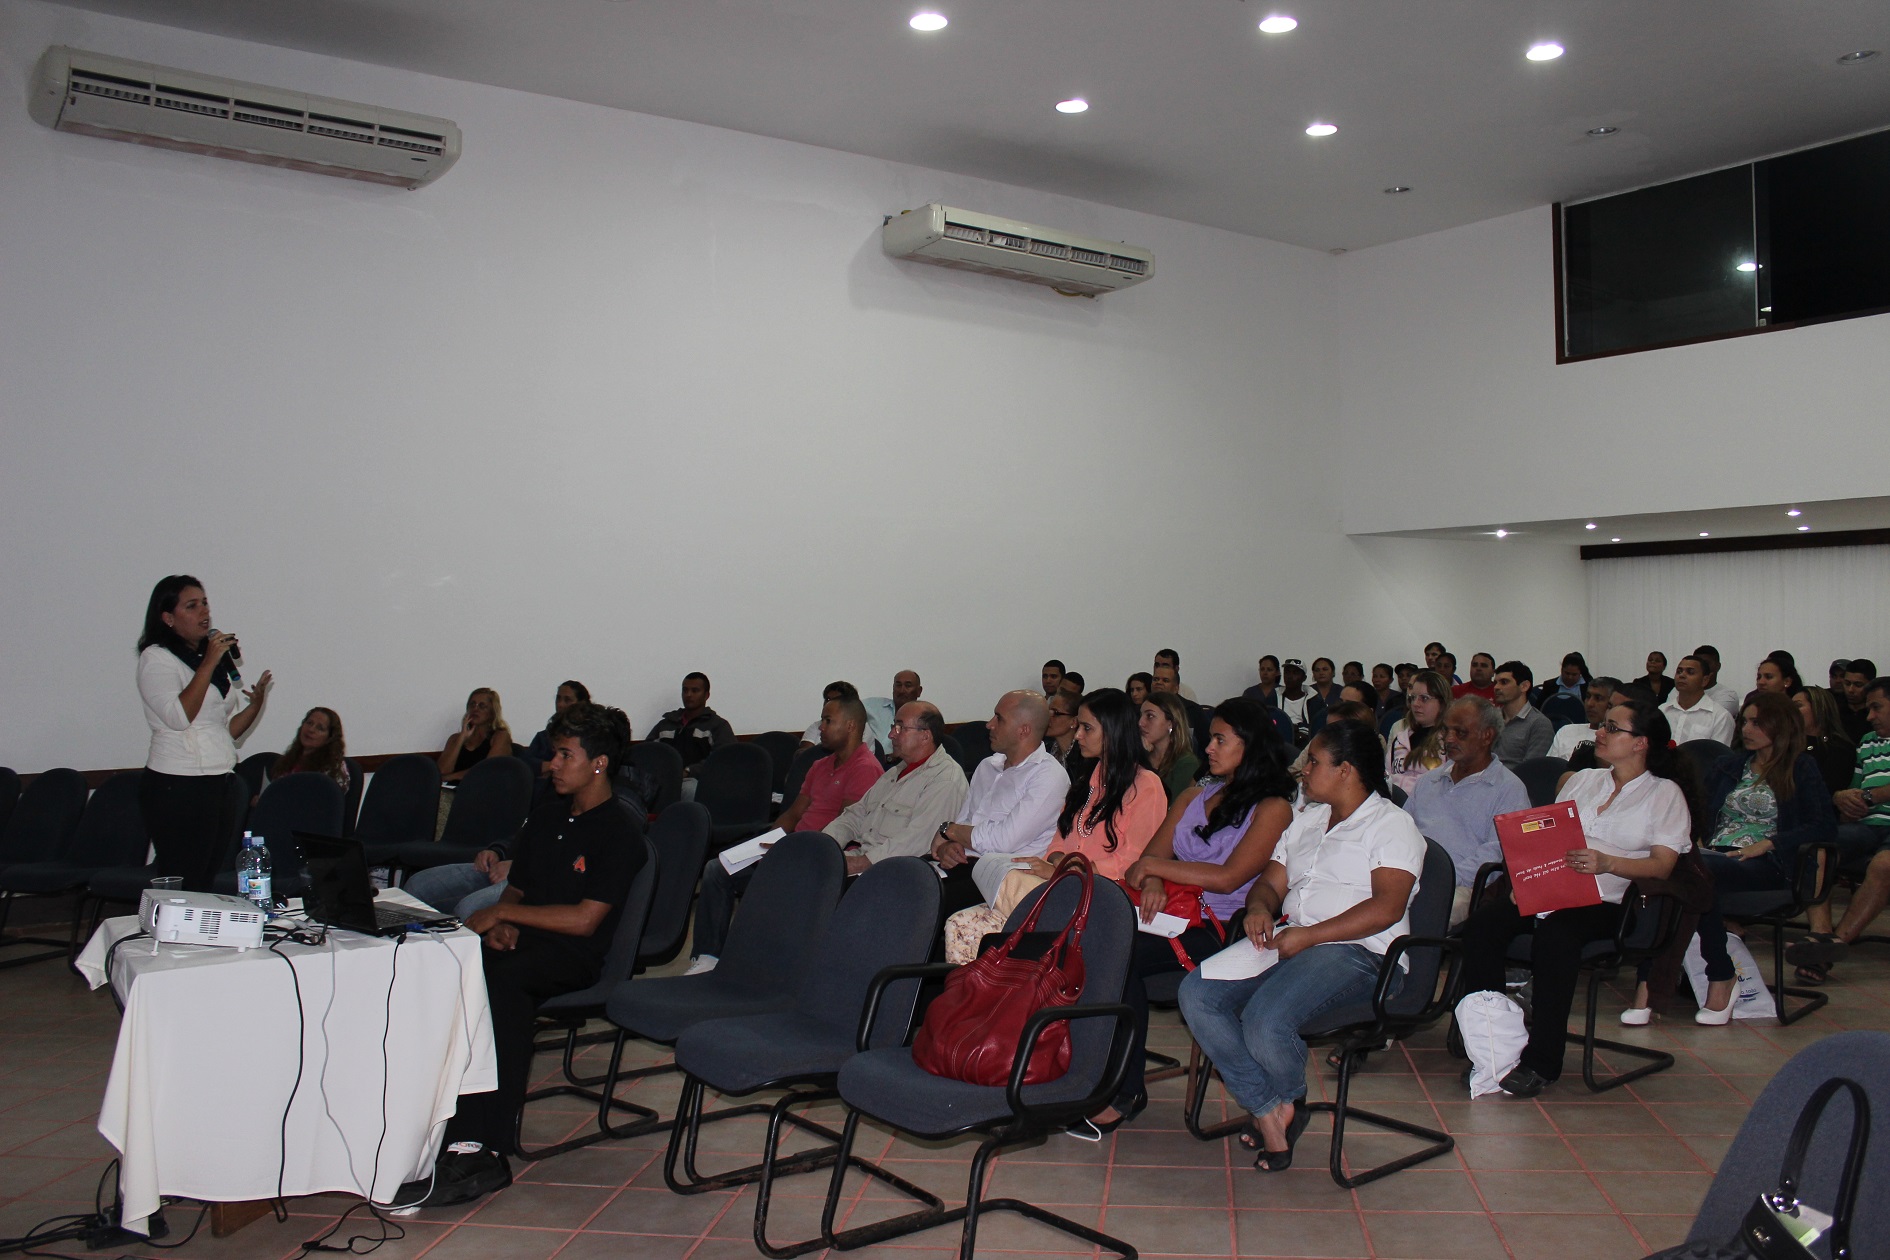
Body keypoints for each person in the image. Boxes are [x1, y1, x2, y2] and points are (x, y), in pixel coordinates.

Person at [415, 702, 645, 1205]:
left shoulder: (619, 830)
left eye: (565, 755)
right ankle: (435, 1128)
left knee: (502, 983)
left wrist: (504, 915)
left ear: (599, 763)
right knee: (459, 968)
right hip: (527, 939)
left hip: (574, 954)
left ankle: (484, 1148)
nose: (552, 764)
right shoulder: (546, 817)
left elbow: (585, 920)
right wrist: (503, 922)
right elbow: (518, 890)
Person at [1178, 720, 1425, 1170]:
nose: (1303, 770)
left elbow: (1388, 907)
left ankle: (1279, 1106)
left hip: (1363, 952)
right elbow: (1270, 884)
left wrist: (1309, 936)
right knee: (1197, 993)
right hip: (1291, 937)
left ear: (1346, 770)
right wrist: (1258, 909)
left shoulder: (1392, 825)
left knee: (1265, 1019)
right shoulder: (1308, 819)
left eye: (1313, 762)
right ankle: (1273, 1105)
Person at [1458, 698, 1696, 1095]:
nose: (1600, 732)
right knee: (1484, 924)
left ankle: (1543, 1060)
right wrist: (1526, 882)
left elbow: (1663, 866)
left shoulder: (1663, 793)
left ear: (1641, 742)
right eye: (1603, 725)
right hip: (1554, 890)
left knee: (1558, 936)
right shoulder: (1583, 780)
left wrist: (1608, 862)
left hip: (1613, 903)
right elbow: (1546, 839)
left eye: (1613, 728)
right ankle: (1491, 1043)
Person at [1091, 699, 1295, 1134]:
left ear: (1250, 745)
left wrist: (1158, 870)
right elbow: (1145, 863)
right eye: (1210, 739)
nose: (1209, 748)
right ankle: (1099, 1076)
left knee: (1118, 958)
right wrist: (1154, 880)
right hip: (1169, 915)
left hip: (1220, 929)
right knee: (1099, 948)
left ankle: (1124, 1091)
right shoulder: (1192, 796)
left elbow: (1228, 878)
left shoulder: (1273, 808)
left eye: (1221, 739)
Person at [689, 701, 967, 974]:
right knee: (745, 871)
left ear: (925, 735)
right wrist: (824, 847)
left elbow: (917, 839)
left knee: (794, 882)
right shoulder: (896, 772)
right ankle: (727, 960)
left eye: (899, 727)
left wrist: (858, 862)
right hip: (858, 858)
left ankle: (768, 969)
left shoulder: (944, 779)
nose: (891, 734)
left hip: (887, 871)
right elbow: (853, 816)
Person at [1619, 691, 1832, 1025]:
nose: (1746, 729)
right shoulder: (1729, 765)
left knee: (1684, 875)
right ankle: (1717, 975)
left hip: (1769, 865)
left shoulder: (1801, 767)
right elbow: (1695, 811)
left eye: (1757, 723)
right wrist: (1693, 837)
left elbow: (1823, 825)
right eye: (1744, 721)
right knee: (1688, 874)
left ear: (1781, 726)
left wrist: (1769, 844)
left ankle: (1651, 983)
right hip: (1714, 857)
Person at [939, 688, 1165, 963]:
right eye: (1078, 726)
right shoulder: (1087, 781)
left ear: (1113, 732)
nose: (1077, 735)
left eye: (1087, 728)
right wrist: (1058, 863)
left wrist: (1065, 870)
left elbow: (1131, 862)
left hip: (1102, 897)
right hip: (1061, 883)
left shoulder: (1146, 786)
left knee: (989, 891)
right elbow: (1058, 840)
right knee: (961, 924)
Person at [136, 575, 272, 890]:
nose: (204, 612)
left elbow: (223, 731)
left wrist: (255, 706)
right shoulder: (157, 658)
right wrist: (209, 662)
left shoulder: (205, 658)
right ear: (168, 618)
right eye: (192, 606)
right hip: (177, 784)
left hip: (219, 781)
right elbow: (179, 717)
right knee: (185, 878)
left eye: (205, 603)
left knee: (205, 878)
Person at [1787, 676, 1890, 982]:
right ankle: (1821, 933)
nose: (1869, 716)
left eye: (1876, 707)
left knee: (1884, 865)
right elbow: (1855, 790)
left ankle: (1829, 950)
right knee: (1816, 846)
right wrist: (1842, 797)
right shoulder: (1868, 742)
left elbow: (1871, 794)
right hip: (1866, 825)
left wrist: (1872, 796)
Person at [932, 690, 1070, 917]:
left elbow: (1004, 841)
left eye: (999, 718)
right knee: (902, 879)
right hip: (965, 865)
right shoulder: (987, 766)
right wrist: (949, 845)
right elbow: (965, 821)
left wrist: (950, 830)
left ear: (1023, 730)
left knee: (924, 902)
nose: (989, 725)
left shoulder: (1048, 776)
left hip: (1002, 877)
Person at [1406, 697, 1530, 925]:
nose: (1449, 739)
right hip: (1409, 875)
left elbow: (1496, 854)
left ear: (1487, 736)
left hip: (1462, 886)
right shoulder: (1429, 781)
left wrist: (1438, 878)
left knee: (1424, 912)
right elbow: (1402, 830)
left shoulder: (1509, 789)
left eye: (1460, 732)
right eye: (1446, 730)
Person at [773, 694, 882, 834]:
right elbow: (793, 814)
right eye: (822, 721)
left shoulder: (865, 769)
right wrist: (765, 842)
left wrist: (796, 843)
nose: (821, 728)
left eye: (828, 721)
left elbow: (843, 828)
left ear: (850, 726)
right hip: (799, 840)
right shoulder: (819, 765)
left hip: (824, 844)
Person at [647, 672, 735, 776]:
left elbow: (723, 758)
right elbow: (647, 752)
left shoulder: (718, 726)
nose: (688, 695)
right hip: (665, 778)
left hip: (700, 780)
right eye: (685, 690)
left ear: (706, 695)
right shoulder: (666, 724)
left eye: (695, 691)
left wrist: (689, 771)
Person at [1386, 669, 1451, 795]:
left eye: (1424, 698)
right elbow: (1387, 778)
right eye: (1413, 697)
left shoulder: (1450, 741)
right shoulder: (1400, 739)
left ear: (1442, 702)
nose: (1415, 704)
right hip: (1397, 804)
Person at [1795, 686, 1856, 808]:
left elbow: (1828, 789)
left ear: (1819, 708)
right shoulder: (1784, 744)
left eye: (1798, 706)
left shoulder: (1839, 747)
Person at [266, 707, 349, 795]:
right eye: (309, 723)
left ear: (330, 738)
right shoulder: (291, 758)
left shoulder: (334, 766)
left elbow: (329, 797)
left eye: (320, 728)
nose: (311, 729)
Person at [439, 688, 513, 783]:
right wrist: (461, 739)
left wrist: (450, 777)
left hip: (482, 788)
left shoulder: (500, 736)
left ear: (492, 712)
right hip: (453, 789)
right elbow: (441, 772)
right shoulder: (455, 738)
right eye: (472, 705)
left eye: (482, 706)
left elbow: (487, 769)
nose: (475, 709)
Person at [1659, 656, 1736, 745]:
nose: (1682, 675)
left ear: (1705, 680)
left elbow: (1719, 753)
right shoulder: (1662, 710)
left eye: (1690, 672)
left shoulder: (1720, 717)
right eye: (1679, 671)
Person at [1141, 691, 1202, 801]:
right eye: (1141, 715)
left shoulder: (1186, 763)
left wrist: (1144, 764)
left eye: (1150, 716)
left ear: (1170, 723)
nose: (1141, 722)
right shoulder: (1139, 756)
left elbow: (1169, 805)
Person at [1491, 661, 1552, 766]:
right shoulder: (1489, 718)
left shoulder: (1539, 724)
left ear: (1524, 686)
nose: (1496, 687)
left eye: (1504, 682)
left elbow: (1531, 770)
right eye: (1495, 683)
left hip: (1516, 776)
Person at [1548, 677, 1622, 761]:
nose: (1590, 703)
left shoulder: (1617, 739)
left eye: (1598, 698)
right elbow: (1549, 766)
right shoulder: (1566, 731)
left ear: (1612, 704)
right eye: (1588, 696)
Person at [526, 681, 590, 774]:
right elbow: (525, 765)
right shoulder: (543, 738)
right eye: (558, 699)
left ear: (582, 704)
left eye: (567, 700)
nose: (560, 704)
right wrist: (549, 766)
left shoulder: (591, 737)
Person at [1275, 659, 1324, 747]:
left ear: (1304, 678)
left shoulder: (1314, 700)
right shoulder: (1274, 697)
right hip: (1278, 740)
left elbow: (1318, 725)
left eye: (1295, 673)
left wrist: (1299, 729)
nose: (1290, 676)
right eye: (1287, 672)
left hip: (1305, 743)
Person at [1693, 645, 1745, 720]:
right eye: (1696, 664)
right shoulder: (1678, 692)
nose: (1701, 668)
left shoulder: (1728, 696)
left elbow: (1708, 720)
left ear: (1718, 666)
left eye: (1706, 664)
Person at [1839, 659, 1877, 744]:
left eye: (1858, 685)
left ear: (1871, 684)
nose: (1850, 690)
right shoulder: (1834, 708)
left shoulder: (1876, 713)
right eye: (1847, 683)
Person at [1044, 690, 1080, 767]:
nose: (1048, 717)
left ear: (1074, 722)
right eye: (1048, 711)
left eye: (1056, 713)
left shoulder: (1083, 756)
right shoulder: (1045, 747)